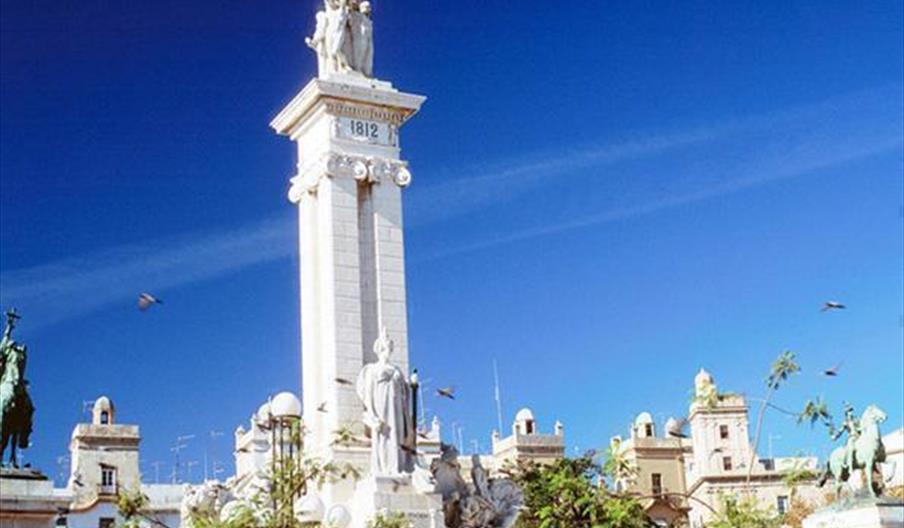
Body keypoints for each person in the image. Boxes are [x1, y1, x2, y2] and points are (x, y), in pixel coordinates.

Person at [356, 328, 414, 475]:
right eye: (386, 347)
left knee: (397, 436)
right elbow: (368, 393)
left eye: (390, 348)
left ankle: (398, 467)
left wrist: (407, 419)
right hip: (381, 407)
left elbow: (404, 395)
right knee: (383, 437)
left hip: (396, 409)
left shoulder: (397, 370)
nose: (389, 350)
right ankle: (384, 468)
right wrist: (371, 412)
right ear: (380, 349)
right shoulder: (372, 369)